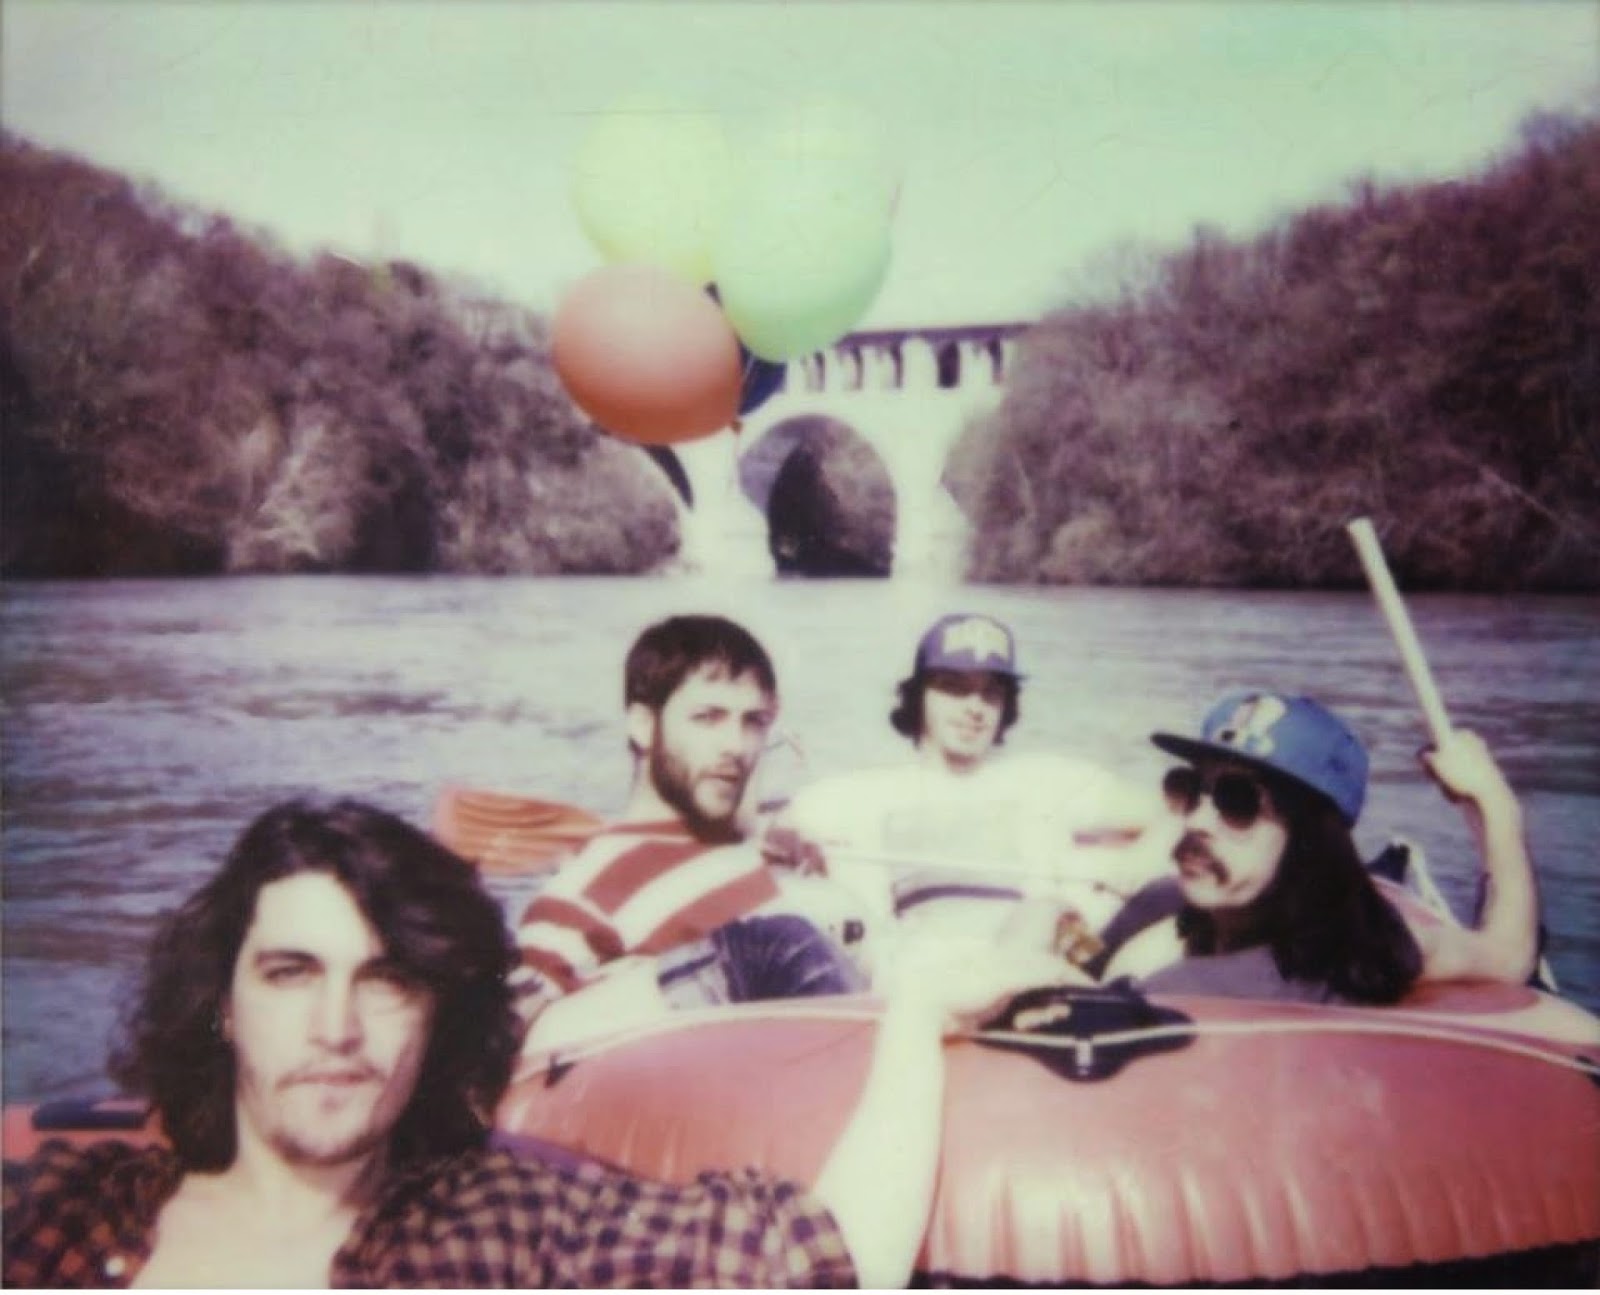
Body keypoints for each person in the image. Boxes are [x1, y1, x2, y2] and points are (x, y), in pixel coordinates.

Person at [1, 798, 1066, 1289]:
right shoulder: (59, 1212)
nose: (335, 1028)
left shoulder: (512, 1228)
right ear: (223, 1003)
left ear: (439, 1018)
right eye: (291, 972)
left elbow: (830, 1257)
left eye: (386, 980)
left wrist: (917, 1012)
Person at [513, 615, 862, 1035]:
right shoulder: (585, 898)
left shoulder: (773, 855)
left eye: (752, 721)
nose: (735, 746)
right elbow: (510, 1042)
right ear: (644, 726)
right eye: (707, 717)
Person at [766, 612, 1168, 972]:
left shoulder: (1046, 779)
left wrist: (1138, 862)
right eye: (954, 688)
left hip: (1037, 966)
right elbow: (768, 840)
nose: (975, 707)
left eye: (991, 692)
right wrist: (796, 849)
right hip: (925, 976)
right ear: (918, 697)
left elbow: (1170, 811)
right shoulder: (862, 794)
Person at [1090, 690, 1540, 1003]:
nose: (1196, 820)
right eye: (1190, 788)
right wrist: (1494, 802)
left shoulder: (1191, 989)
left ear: (1309, 841)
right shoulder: (1381, 945)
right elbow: (1508, 954)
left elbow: (1507, 959)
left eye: (1237, 801)